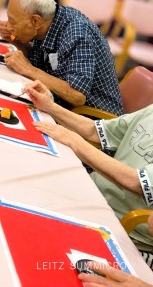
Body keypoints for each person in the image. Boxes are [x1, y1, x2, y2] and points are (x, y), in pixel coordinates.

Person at [23, 79, 153, 263]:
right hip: (92, 190)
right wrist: (50, 107)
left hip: (123, 226)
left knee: (36, 245)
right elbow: (96, 131)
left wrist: (75, 142)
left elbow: (134, 181)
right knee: (27, 188)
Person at [0, 0, 122, 115]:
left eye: (13, 22)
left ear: (36, 21)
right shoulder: (50, 21)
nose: (9, 26)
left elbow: (77, 95)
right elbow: (44, 62)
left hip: (92, 116)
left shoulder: (77, 32)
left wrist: (28, 69)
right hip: (59, 102)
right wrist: (16, 40)